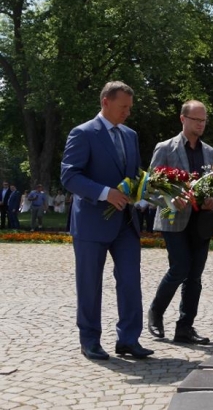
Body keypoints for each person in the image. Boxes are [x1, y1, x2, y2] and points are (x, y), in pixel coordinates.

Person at [61, 81, 153, 360]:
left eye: (130, 107)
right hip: (91, 223)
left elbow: (133, 174)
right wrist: (104, 193)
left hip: (125, 222)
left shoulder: (130, 135)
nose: (128, 112)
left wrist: (143, 191)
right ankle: (89, 340)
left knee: (130, 281)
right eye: (123, 106)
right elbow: (69, 176)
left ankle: (128, 339)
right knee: (89, 283)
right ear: (105, 102)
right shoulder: (83, 133)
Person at [147, 100, 213, 345]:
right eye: (196, 119)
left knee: (195, 275)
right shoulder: (165, 148)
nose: (200, 124)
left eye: (204, 120)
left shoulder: (210, 152)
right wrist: (170, 198)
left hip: (201, 222)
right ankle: (156, 312)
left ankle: (185, 327)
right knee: (180, 268)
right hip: (173, 219)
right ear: (183, 119)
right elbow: (150, 187)